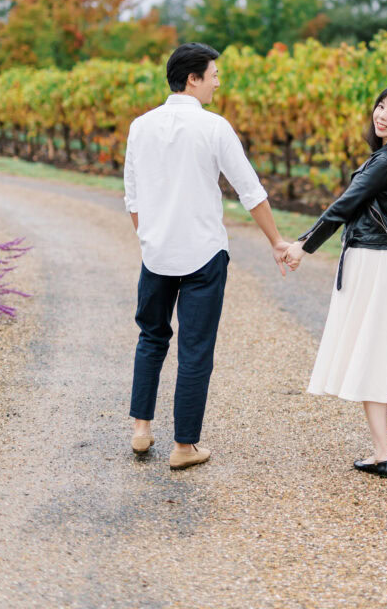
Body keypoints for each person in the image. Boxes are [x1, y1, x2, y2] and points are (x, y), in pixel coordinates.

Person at [124, 42, 289, 469]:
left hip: (155, 252)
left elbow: (133, 198)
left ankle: (141, 430)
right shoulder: (215, 127)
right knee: (196, 348)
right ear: (192, 78)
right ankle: (184, 447)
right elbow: (249, 190)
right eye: (213, 74)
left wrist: (151, 240)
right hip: (203, 253)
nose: (218, 82)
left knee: (151, 337)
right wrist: (276, 241)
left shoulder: (140, 126)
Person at [283, 84, 387, 481]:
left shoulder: (386, 162)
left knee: (370, 352)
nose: (382, 115)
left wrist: (303, 245)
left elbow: (343, 206)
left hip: (372, 262)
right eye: (380, 107)